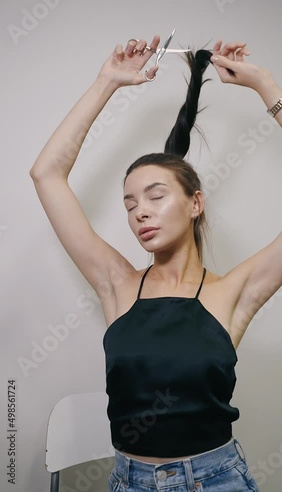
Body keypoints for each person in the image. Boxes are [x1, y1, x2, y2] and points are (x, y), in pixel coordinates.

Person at [30, 34, 282, 491]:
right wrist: (106, 82)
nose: (139, 211)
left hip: (217, 480)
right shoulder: (117, 285)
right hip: (130, 481)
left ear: (195, 204)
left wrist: (266, 85)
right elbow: (46, 174)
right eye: (129, 204)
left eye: (156, 196)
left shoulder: (233, 292)